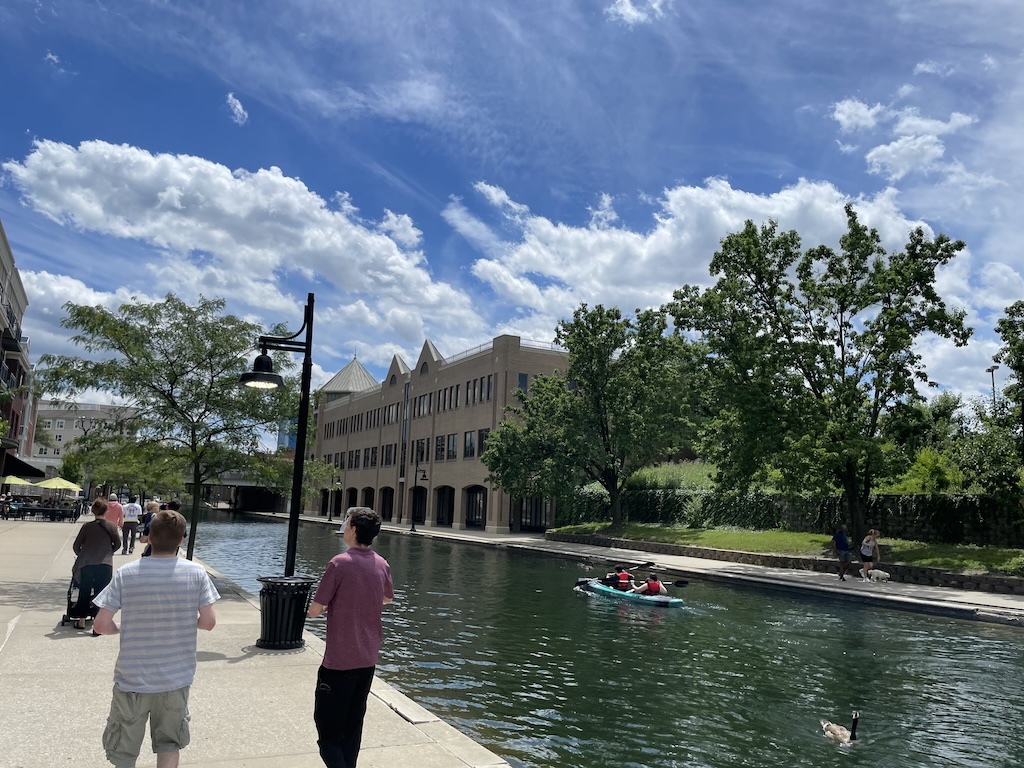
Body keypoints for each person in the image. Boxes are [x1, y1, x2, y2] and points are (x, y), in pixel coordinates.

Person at [93, 508, 219, 768]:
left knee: (124, 751)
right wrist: (185, 623)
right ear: (181, 540)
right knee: (169, 744)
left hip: (132, 679)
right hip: (175, 679)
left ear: (148, 537)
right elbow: (209, 623)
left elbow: (101, 625)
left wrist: (121, 629)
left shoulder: (126, 574)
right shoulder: (196, 574)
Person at [307, 506, 394, 768]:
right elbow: (387, 598)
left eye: (347, 521)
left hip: (339, 662)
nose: (344, 525)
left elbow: (314, 611)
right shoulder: (382, 563)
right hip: (367, 659)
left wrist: (329, 605)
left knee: (328, 735)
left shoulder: (339, 563)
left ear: (354, 529)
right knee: (353, 728)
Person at [71, 498, 122, 631]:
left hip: (87, 563)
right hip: (105, 563)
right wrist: (109, 552)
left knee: (84, 591)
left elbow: (76, 546)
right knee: (101, 593)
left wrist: (83, 554)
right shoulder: (112, 526)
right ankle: (96, 625)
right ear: (106, 511)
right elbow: (117, 544)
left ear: (93, 511)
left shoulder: (87, 527)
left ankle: (82, 620)